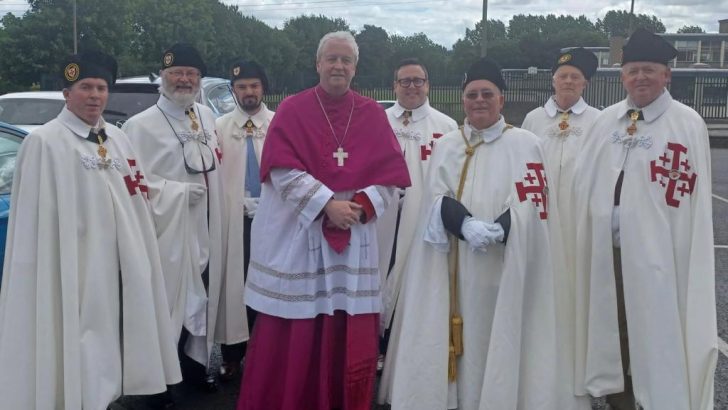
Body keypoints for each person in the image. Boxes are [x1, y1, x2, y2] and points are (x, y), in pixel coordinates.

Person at [386, 57, 582, 410]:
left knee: (498, 333)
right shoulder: (447, 144)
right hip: (454, 269)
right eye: (472, 94)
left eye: (487, 94)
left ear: (501, 100)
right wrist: (464, 224)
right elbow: (435, 197)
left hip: (503, 266)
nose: (479, 100)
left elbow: (536, 203)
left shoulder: (525, 143)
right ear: (463, 101)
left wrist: (503, 228)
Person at [236, 31, 410, 410]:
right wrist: (325, 203)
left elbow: (391, 178)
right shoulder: (293, 109)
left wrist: (362, 204)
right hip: (302, 238)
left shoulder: (371, 114)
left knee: (345, 325)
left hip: (354, 236)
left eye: (346, 60)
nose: (338, 66)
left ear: (355, 67)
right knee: (297, 326)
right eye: (331, 58)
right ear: (318, 64)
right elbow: (279, 170)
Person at [0, 51, 181, 410]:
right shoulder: (45, 142)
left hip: (119, 266)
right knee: (79, 341)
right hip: (73, 266)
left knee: (115, 341)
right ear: (66, 94)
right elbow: (38, 220)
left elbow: (136, 193)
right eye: (85, 87)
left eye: (101, 88)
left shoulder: (116, 138)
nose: (95, 95)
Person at [573, 28, 717, 410]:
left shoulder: (687, 124)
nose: (640, 77)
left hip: (660, 259)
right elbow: (583, 182)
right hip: (608, 252)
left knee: (654, 331)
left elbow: (689, 201)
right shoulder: (605, 122)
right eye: (633, 70)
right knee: (613, 330)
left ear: (666, 75)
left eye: (649, 70)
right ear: (622, 76)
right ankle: (620, 400)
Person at [123, 43, 245, 390]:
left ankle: (192, 370)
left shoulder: (204, 116)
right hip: (167, 232)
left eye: (191, 74)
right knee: (167, 305)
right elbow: (136, 183)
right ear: (163, 78)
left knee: (201, 302)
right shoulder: (139, 126)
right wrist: (175, 192)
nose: (184, 80)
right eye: (176, 73)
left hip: (206, 227)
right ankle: (157, 383)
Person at [520, 47, 600, 410]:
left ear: (586, 83)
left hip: (580, 225)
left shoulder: (599, 122)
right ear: (552, 79)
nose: (567, 81)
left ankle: (576, 373)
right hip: (541, 221)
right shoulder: (534, 120)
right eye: (562, 76)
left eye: (575, 77)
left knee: (576, 296)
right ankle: (536, 366)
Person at [376, 57, 457, 403]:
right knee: (375, 281)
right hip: (379, 219)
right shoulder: (377, 121)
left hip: (423, 222)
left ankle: (402, 359)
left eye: (418, 81)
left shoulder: (446, 126)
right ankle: (372, 353)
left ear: (428, 85)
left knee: (411, 287)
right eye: (404, 81)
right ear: (394, 85)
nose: (411, 87)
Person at [215, 59, 274, 381]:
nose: (248, 92)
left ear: (263, 88)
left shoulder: (279, 123)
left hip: (272, 221)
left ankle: (266, 353)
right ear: (233, 90)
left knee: (268, 283)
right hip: (234, 220)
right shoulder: (219, 127)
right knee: (233, 286)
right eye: (241, 87)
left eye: (254, 86)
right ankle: (232, 355)